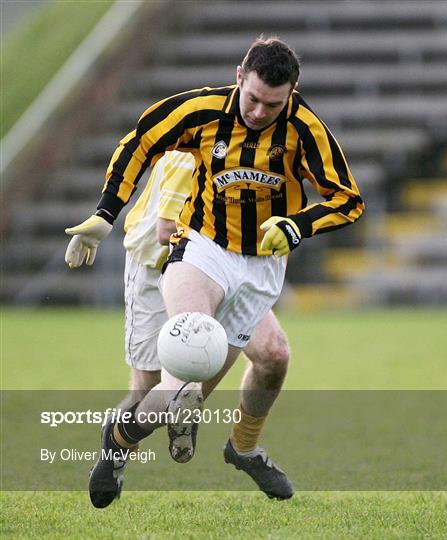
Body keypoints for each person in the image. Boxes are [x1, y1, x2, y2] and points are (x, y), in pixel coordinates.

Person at [65, 36, 364, 507]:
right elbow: (140, 140)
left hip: (261, 270)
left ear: (292, 93)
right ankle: (122, 447)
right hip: (202, 245)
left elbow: (348, 199)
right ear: (239, 75)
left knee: (195, 390)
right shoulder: (202, 111)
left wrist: (298, 225)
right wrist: (105, 214)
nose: (261, 112)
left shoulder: (304, 129)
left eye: (274, 103)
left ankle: (129, 435)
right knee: (188, 367)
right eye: (253, 99)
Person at [66, 149, 292, 505]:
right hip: (157, 268)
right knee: (153, 393)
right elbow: (166, 231)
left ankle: (243, 448)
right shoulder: (196, 149)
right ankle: (118, 445)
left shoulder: (268, 147)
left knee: (273, 353)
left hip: (225, 267)